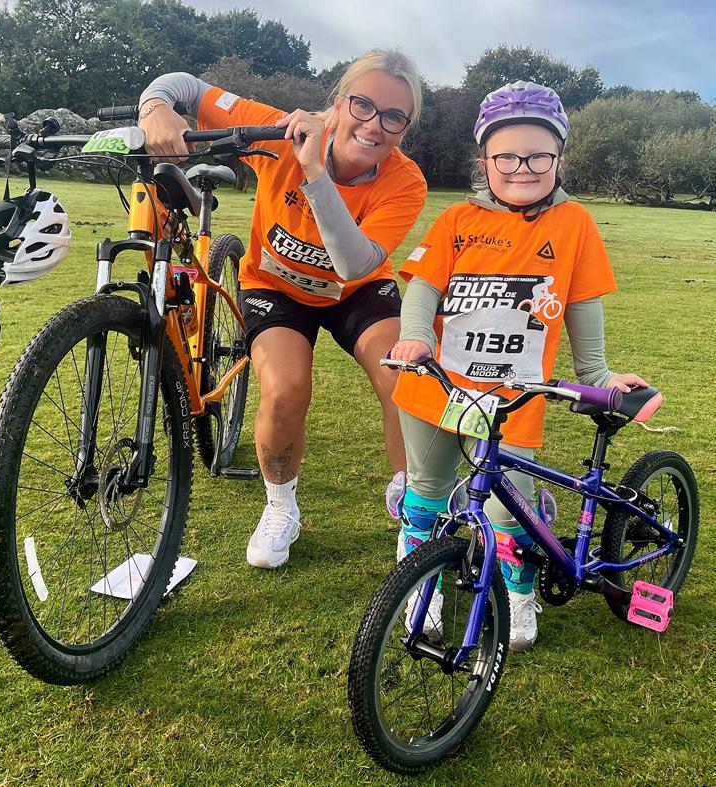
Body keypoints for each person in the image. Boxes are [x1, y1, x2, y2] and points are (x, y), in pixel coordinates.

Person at [138, 50, 427, 569]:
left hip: (356, 288)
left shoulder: (405, 181)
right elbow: (184, 84)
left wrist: (314, 171)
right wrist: (155, 107)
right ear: (338, 102)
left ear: (405, 129)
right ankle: (280, 504)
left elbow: (353, 263)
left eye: (394, 117)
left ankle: (418, 508)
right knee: (285, 389)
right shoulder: (279, 131)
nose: (373, 125)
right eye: (362, 104)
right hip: (275, 287)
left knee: (404, 378)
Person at [388, 81, 647, 650]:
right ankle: (422, 590)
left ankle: (517, 594)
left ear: (559, 158)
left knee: (511, 511)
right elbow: (424, 288)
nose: (521, 168)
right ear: (485, 160)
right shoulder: (457, 218)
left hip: (513, 397)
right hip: (437, 388)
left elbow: (582, 305)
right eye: (506, 156)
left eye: (538, 156)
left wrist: (598, 376)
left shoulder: (575, 223)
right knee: (425, 497)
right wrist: (416, 337)